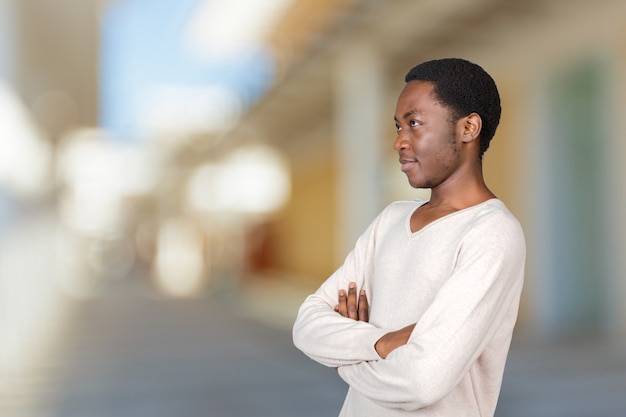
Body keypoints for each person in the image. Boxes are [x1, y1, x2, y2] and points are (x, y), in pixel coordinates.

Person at [292, 58, 525, 417]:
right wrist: (382, 342)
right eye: (399, 126)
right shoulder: (390, 220)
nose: (400, 141)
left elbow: (420, 381)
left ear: (468, 128)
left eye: (414, 123)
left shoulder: (492, 233)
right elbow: (307, 325)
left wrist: (342, 357)